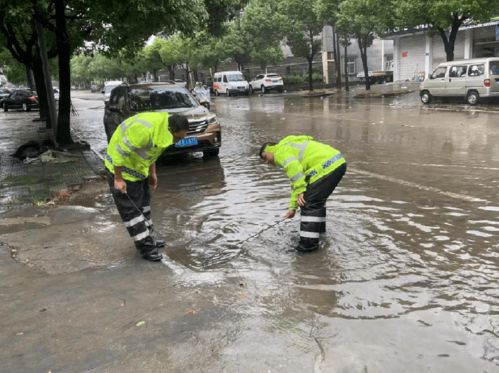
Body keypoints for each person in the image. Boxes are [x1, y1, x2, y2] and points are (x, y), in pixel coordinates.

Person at [104, 112, 189, 261]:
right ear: (170, 130)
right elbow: (119, 152)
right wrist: (118, 179)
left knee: (144, 207)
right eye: (177, 138)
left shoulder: (163, 130)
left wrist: (152, 173)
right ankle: (145, 248)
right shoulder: (144, 130)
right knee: (132, 212)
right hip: (120, 170)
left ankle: (150, 238)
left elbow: (152, 153)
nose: (177, 141)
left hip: (138, 170)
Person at [259, 135, 346, 252]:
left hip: (327, 167)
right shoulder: (287, 148)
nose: (266, 162)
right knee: (316, 201)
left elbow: (296, 172)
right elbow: (296, 181)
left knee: (308, 203)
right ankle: (318, 233)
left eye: (265, 157)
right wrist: (292, 208)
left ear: (269, 151)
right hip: (337, 162)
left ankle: (307, 247)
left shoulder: (279, 152)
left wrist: (301, 192)